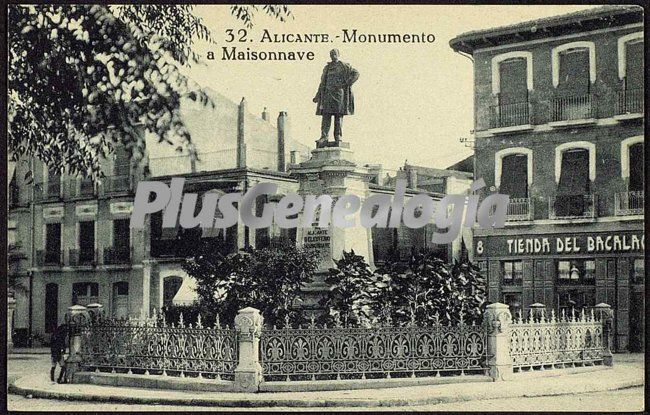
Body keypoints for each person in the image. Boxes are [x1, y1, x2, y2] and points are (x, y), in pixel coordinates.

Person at [313, 49, 360, 146]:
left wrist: (346, 83)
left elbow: (356, 74)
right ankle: (324, 137)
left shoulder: (344, 65)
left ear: (338, 55)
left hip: (339, 95)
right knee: (326, 116)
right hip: (327, 96)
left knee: (338, 116)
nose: (333, 55)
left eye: (334, 54)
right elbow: (322, 83)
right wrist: (317, 96)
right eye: (331, 54)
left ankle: (338, 136)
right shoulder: (327, 67)